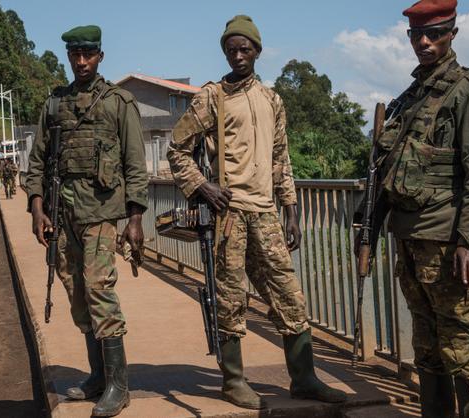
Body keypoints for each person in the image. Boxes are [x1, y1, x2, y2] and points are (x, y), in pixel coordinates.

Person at [167, 15, 347, 410]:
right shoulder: (211, 97)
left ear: (257, 51)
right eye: (231, 49)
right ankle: (233, 381)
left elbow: (281, 159)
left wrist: (292, 211)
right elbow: (176, 150)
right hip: (230, 215)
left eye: (244, 48)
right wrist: (202, 186)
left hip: (266, 215)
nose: (238, 55)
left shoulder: (272, 99)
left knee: (289, 297)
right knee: (230, 300)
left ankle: (304, 378)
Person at [359, 1, 469, 416]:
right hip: (409, 239)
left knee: (463, 346)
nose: (424, 42)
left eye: (435, 33)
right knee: (427, 346)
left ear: (452, 33)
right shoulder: (414, 95)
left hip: (446, 244)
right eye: (416, 35)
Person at [24, 25, 148, 417]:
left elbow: (135, 166)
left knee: (98, 291)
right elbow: (37, 163)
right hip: (64, 216)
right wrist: (37, 207)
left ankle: (118, 385)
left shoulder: (118, 103)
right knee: (77, 296)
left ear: (100, 57)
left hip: (101, 215)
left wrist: (135, 220)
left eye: (88, 54)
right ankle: (97, 376)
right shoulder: (54, 105)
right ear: (69, 56)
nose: (81, 61)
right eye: (75, 54)